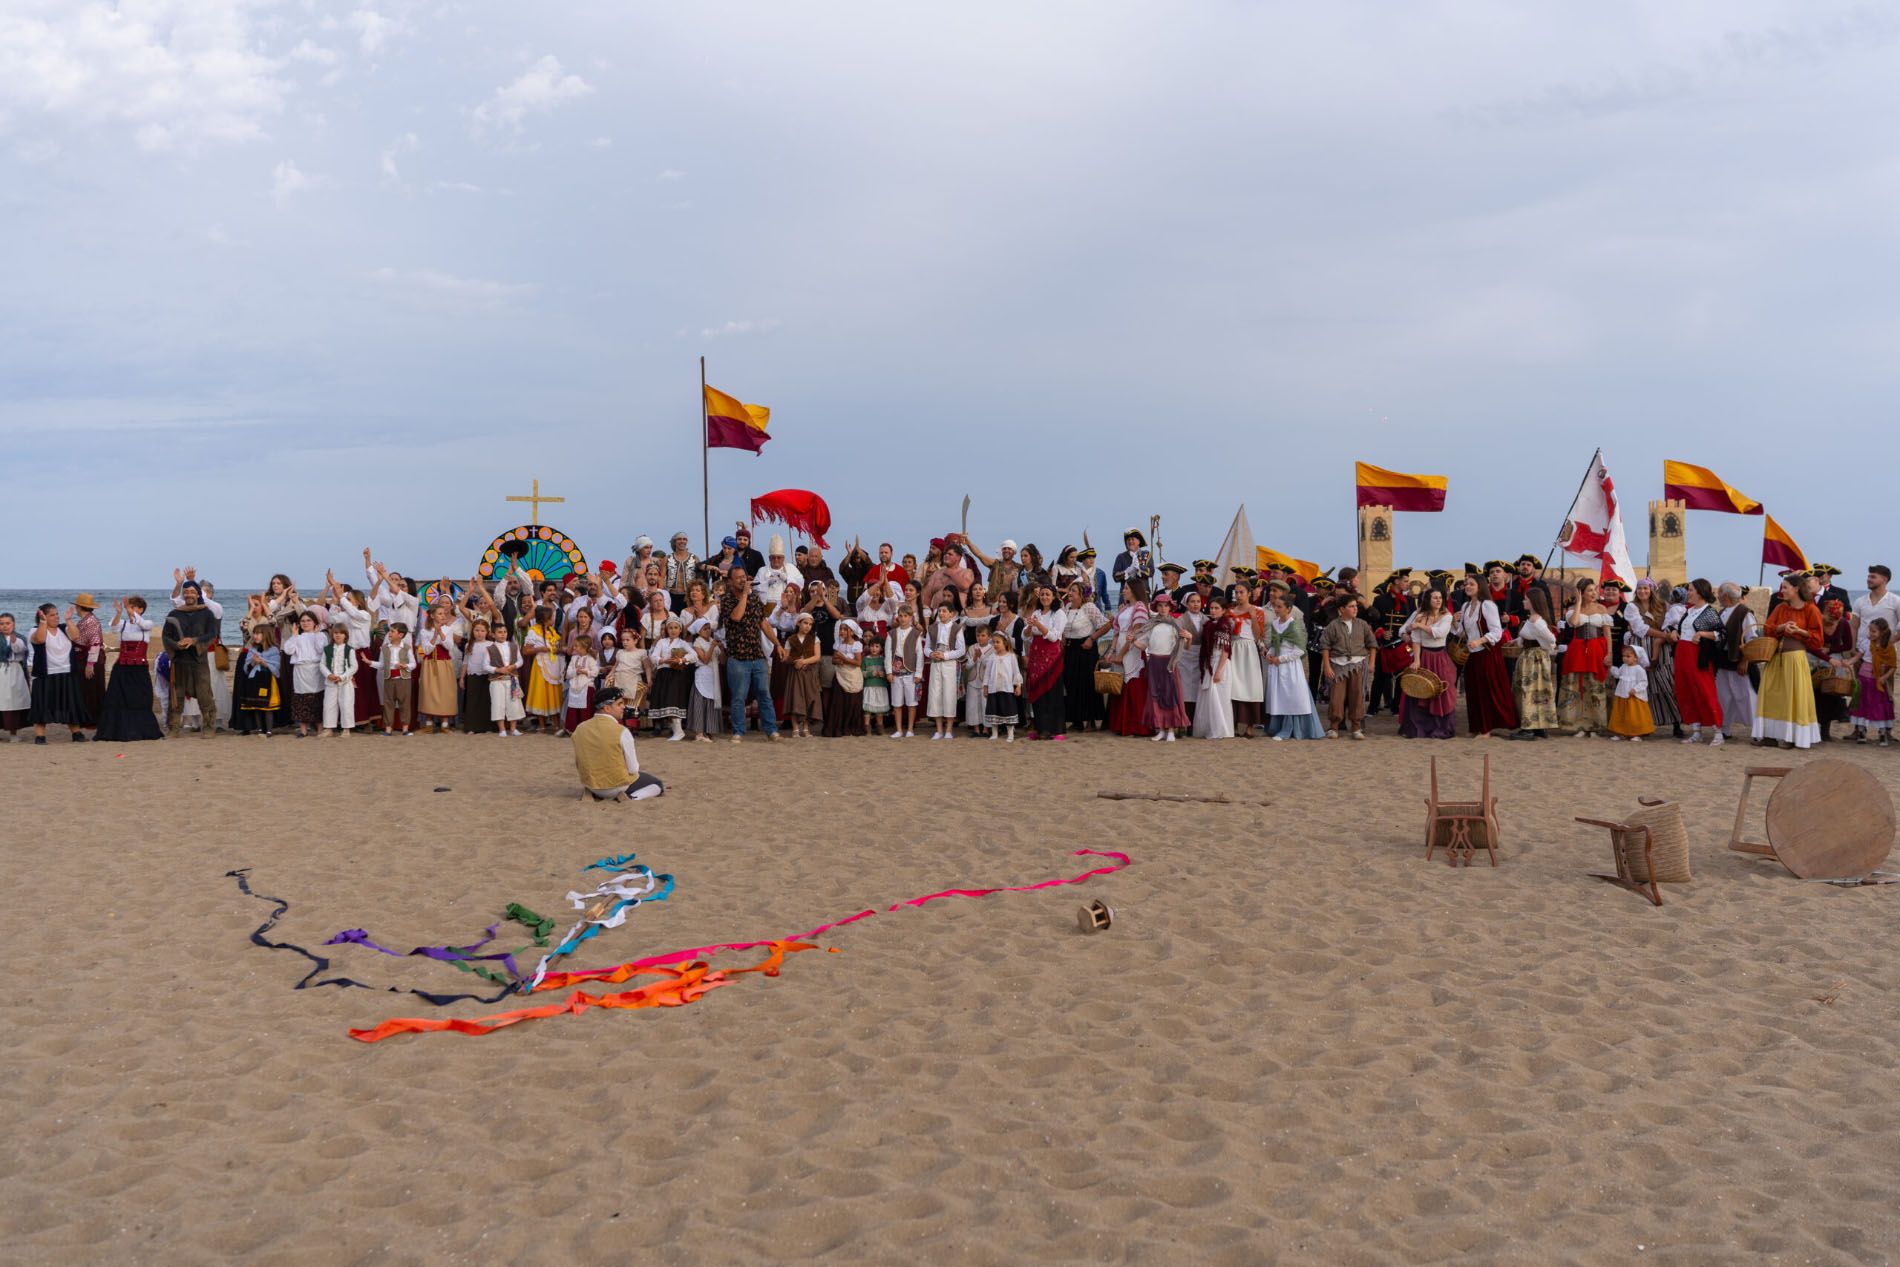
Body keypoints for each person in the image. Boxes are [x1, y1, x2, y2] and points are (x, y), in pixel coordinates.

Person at [1752, 576, 1823, 750]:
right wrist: (1781, 627)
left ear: (1797, 588)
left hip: (1795, 658)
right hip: (1776, 657)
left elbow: (1818, 640)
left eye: (1785, 587)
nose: (1782, 591)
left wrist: (1800, 631)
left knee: (1793, 696)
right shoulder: (1780, 608)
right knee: (1770, 694)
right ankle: (1770, 735)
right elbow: (1768, 628)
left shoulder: (1811, 610)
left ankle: (1791, 737)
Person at [720, 565, 781, 742]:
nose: (742, 580)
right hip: (738, 657)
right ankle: (739, 731)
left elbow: (763, 623)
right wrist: (745, 595)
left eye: (743, 577)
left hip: (757, 655)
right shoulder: (726, 600)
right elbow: (736, 617)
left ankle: (771, 730)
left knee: (764, 694)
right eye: (738, 577)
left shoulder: (755, 599)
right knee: (739, 696)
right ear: (730, 581)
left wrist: (777, 644)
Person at [573, 688, 664, 801]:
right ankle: (631, 797)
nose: (623, 707)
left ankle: (596, 793)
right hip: (617, 786)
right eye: (619, 704)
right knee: (657, 784)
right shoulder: (621, 731)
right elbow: (633, 769)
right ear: (607, 708)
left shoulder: (579, 728)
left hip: (591, 784)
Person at [1455, 575, 1517, 738]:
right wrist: (1453, 622)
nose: (1467, 586)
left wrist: (1480, 641)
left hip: (1487, 653)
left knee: (1486, 691)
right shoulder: (1466, 606)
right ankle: (1475, 727)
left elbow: (1497, 631)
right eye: (1466, 584)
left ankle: (1486, 729)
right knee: (1473, 690)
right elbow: (1462, 632)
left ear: (1480, 586)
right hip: (1472, 654)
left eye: (1471, 584)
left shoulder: (1488, 605)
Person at [96, 596, 162, 742]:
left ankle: (140, 729)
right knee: (116, 698)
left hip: (138, 668)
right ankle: (115, 731)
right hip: (122, 667)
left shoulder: (147, 624)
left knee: (139, 700)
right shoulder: (123, 624)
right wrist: (119, 612)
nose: (130, 610)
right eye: (130, 607)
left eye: (133, 607)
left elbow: (143, 624)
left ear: (141, 609)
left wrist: (132, 613)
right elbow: (113, 627)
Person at [1668, 579, 1725, 746]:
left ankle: (1718, 732)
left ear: (1700, 592)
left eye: (1691, 590)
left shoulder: (1709, 612)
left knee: (1705, 691)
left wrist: (1702, 634)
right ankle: (1696, 731)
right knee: (1685, 691)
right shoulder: (1688, 611)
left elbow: (1721, 634)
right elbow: (1679, 629)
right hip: (1682, 654)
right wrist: (1673, 633)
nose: (1689, 593)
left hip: (1698, 656)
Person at [1261, 586, 1323, 740]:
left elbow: (1300, 650)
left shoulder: (1293, 625)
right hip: (1276, 666)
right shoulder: (1276, 624)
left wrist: (1280, 659)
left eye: (1279, 607)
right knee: (1278, 696)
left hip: (1289, 666)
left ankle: (1289, 729)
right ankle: (1278, 726)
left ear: (1288, 608)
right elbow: (1276, 643)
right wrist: (1270, 654)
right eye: (1275, 606)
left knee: (1290, 696)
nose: (1276, 609)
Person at [1396, 587, 1456, 739]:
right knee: (1419, 690)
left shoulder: (1447, 616)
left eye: (1440, 597)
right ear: (1428, 600)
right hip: (1423, 656)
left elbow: (1439, 633)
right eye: (1434, 597)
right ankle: (1420, 728)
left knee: (1442, 691)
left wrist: (1419, 625)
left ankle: (1442, 727)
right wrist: (1416, 660)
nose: (1438, 600)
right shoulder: (1420, 615)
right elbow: (1416, 639)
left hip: (1440, 657)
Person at [1559, 578, 1611, 737]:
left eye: (1594, 590)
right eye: (1589, 590)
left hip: (1596, 649)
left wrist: (1609, 654)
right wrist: (1579, 603)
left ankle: (1594, 726)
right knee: (1577, 687)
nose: (1594, 593)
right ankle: (1578, 725)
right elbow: (1574, 623)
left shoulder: (1602, 608)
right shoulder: (1574, 609)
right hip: (1577, 650)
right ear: (1581, 593)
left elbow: (1607, 634)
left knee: (1595, 686)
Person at [1852, 565, 1900, 737]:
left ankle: (1886, 731)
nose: (1868, 579)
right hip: (1862, 653)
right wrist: (1852, 647)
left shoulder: (1895, 601)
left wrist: (1886, 645)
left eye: (1873, 577)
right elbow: (1854, 625)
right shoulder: (1860, 601)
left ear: (1884, 579)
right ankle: (1858, 729)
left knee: (1885, 691)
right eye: (1869, 576)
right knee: (1859, 690)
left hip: (1885, 658)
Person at [1319, 596, 1376, 740]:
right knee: (1336, 697)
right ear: (1342, 609)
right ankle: (1334, 727)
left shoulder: (1362, 624)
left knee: (1357, 695)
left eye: (1356, 606)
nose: (1355, 608)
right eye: (1351, 606)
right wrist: (1327, 666)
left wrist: (1371, 663)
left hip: (1357, 664)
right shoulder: (1333, 625)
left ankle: (1356, 727)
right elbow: (1325, 646)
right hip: (1337, 665)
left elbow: (1372, 644)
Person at [1138, 592, 1190, 742]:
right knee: (1156, 695)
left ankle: (1171, 730)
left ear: (1170, 607)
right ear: (1156, 607)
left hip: (1169, 664)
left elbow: (1184, 646)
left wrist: (1188, 638)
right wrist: (1131, 641)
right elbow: (1144, 644)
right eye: (1160, 606)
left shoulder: (1176, 624)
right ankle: (1160, 729)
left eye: (1165, 606)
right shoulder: (1151, 625)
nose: (1162, 608)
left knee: (1170, 696)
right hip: (1154, 663)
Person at [1510, 586, 1559, 739]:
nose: (1524, 601)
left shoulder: (1537, 620)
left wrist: (1543, 647)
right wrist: (1517, 641)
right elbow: (1528, 636)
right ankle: (1538, 726)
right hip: (1531, 657)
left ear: (1532, 601)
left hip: (1534, 659)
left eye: (1526, 599)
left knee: (1528, 690)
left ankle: (1529, 728)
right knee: (1536, 690)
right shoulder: (1533, 619)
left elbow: (1551, 639)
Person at [1106, 582, 1153, 737]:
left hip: (1132, 650)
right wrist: (1112, 651)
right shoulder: (1124, 608)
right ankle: (1121, 724)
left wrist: (1122, 653)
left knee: (1133, 684)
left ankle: (1136, 725)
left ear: (1134, 590)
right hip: (1120, 647)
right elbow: (1117, 632)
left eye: (1126, 588)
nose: (1123, 591)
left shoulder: (1140, 608)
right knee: (1120, 685)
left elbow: (1136, 633)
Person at [1021, 585, 1068, 740]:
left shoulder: (1059, 613)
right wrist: (1029, 626)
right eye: (1042, 594)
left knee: (1052, 692)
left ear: (1054, 596)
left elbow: (1055, 636)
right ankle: (1041, 728)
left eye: (1047, 594)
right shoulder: (1036, 612)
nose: (1044, 597)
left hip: (1052, 656)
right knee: (1037, 691)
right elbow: (1026, 636)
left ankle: (1056, 730)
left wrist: (1038, 625)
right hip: (1036, 655)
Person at [1061, 583, 1108, 731]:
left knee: (1087, 684)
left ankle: (1091, 720)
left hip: (1086, 648)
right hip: (1070, 648)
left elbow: (1107, 625)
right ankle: (1076, 720)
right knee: (1071, 683)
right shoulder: (1067, 607)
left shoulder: (1089, 608)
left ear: (1081, 594)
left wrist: (1092, 638)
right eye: (1070, 590)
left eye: (1073, 591)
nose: (1070, 593)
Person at [1191, 595, 1234, 739]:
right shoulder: (1209, 625)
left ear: (1223, 611)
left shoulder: (1224, 625)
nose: (1213, 611)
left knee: (1219, 697)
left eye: (1217, 608)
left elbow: (1225, 650)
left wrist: (1219, 670)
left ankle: (1221, 729)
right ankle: (1208, 727)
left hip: (1219, 664)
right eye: (1211, 608)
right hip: (1208, 663)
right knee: (1207, 696)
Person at [924, 600, 967, 739]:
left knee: (949, 695)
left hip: (950, 664)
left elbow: (961, 650)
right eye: (939, 611)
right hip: (936, 663)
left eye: (944, 611)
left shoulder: (956, 628)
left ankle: (948, 730)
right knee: (935, 694)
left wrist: (946, 655)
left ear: (951, 613)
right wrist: (931, 654)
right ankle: (939, 730)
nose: (941, 613)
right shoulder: (932, 628)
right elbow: (927, 647)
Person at [1228, 585, 1267, 738]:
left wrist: (1252, 618)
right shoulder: (1230, 611)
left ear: (1249, 594)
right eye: (1236, 592)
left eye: (1241, 592)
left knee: (1251, 685)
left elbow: (1258, 635)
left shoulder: (1257, 611)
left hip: (1249, 648)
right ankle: (1235, 724)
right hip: (1234, 647)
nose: (1238, 595)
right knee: (1234, 685)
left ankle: (1250, 726)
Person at [646, 615, 694, 741]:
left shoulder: (683, 643)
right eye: (670, 627)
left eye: (676, 627)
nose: (673, 630)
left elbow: (694, 655)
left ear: (680, 629)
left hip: (675, 674)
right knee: (665, 701)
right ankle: (675, 730)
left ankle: (679, 731)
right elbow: (653, 656)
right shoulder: (662, 642)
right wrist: (663, 660)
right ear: (667, 629)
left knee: (673, 700)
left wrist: (682, 659)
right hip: (663, 674)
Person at [414, 606, 459, 735]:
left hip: (444, 664)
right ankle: (429, 725)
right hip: (429, 664)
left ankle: (445, 725)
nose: (443, 616)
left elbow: (449, 646)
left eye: (444, 613)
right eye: (439, 613)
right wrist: (434, 635)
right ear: (432, 616)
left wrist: (441, 633)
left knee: (444, 692)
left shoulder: (448, 629)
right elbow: (427, 650)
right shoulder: (424, 631)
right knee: (429, 692)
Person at [282, 611, 327, 738]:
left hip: (316, 669)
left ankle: (320, 727)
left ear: (314, 622)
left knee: (317, 698)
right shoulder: (297, 637)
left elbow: (321, 649)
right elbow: (288, 650)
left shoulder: (321, 636)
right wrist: (294, 636)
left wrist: (317, 635)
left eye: (308, 621)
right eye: (303, 621)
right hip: (300, 670)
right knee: (301, 699)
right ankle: (303, 729)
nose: (305, 623)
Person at [521, 606, 565, 733]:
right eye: (551, 617)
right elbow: (525, 650)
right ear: (545, 619)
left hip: (553, 663)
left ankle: (556, 722)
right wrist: (539, 649)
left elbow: (555, 646)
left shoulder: (552, 630)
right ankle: (542, 723)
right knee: (541, 692)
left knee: (553, 692)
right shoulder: (533, 631)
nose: (553, 619)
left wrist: (559, 649)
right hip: (541, 664)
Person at [232, 626, 282, 735]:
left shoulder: (274, 650)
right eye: (254, 633)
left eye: (258, 634)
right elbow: (246, 668)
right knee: (256, 705)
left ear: (266, 635)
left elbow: (276, 667)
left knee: (268, 707)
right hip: (255, 681)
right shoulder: (252, 650)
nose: (255, 636)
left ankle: (269, 730)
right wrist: (253, 662)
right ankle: (259, 728)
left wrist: (264, 663)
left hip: (268, 681)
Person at [1854, 619, 1895, 747]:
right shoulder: (1866, 643)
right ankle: (1861, 731)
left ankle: (1882, 732)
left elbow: (1893, 665)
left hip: (1878, 680)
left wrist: (1884, 677)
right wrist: (1847, 662)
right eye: (1870, 630)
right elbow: (1857, 657)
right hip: (1864, 678)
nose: (1870, 633)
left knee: (1879, 704)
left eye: (1874, 631)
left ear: (1882, 633)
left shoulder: (1888, 647)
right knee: (1862, 702)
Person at [822, 619, 866, 737]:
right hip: (840, 675)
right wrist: (838, 660)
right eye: (841, 629)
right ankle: (838, 728)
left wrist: (844, 658)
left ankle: (851, 727)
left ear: (852, 632)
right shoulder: (838, 644)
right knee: (838, 702)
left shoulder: (857, 645)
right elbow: (834, 660)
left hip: (853, 676)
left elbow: (858, 662)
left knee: (852, 702)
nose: (842, 631)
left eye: (845, 629)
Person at [783, 612, 824, 738]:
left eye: (810, 624)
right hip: (795, 674)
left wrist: (804, 661)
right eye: (805, 623)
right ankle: (795, 728)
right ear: (798, 623)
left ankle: (806, 728)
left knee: (809, 699)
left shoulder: (814, 639)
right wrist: (795, 661)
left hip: (809, 673)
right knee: (796, 699)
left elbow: (817, 656)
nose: (808, 626)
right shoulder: (791, 639)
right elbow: (785, 657)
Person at [981, 630, 1023, 741]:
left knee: (1008, 710)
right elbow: (987, 673)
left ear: (1005, 643)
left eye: (998, 642)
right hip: (993, 689)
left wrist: (1018, 685)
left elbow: (1016, 672)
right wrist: (985, 687)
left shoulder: (1011, 657)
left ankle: (1010, 734)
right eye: (993, 642)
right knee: (994, 711)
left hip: (1007, 689)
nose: (995, 644)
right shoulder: (991, 658)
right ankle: (994, 733)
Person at [886, 607, 922, 739]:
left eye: (905, 616)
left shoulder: (916, 633)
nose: (902, 618)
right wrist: (889, 671)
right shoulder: (891, 634)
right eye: (900, 616)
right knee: (897, 702)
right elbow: (888, 653)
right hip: (895, 672)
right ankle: (899, 729)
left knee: (911, 702)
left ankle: (910, 729)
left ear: (911, 617)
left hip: (910, 672)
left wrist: (918, 673)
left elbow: (919, 654)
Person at [1607, 643, 1654, 741]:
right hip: (1622, 695)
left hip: (1634, 697)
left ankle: (1636, 733)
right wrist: (1611, 667)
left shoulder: (1639, 669)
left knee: (1634, 716)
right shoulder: (1623, 666)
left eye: (1628, 656)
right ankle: (1621, 732)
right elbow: (1617, 674)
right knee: (1621, 714)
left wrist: (1635, 689)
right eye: (1624, 656)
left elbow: (1643, 682)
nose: (1625, 658)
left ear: (1636, 658)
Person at [687, 617, 723, 740]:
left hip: (713, 675)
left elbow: (722, 660)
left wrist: (722, 649)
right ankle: (699, 732)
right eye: (705, 629)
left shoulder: (712, 640)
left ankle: (709, 730)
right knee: (700, 702)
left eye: (709, 628)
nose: (708, 631)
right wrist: (712, 647)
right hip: (702, 674)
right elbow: (705, 660)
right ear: (699, 631)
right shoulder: (697, 643)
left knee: (711, 701)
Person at [321, 621, 359, 736]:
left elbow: (354, 666)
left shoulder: (349, 649)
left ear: (345, 635)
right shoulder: (327, 649)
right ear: (332, 635)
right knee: (329, 705)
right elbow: (322, 664)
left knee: (346, 704)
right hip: (330, 682)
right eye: (336, 633)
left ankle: (346, 729)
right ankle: (329, 729)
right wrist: (329, 675)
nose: (338, 635)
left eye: (341, 633)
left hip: (345, 683)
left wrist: (342, 677)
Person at [379, 622, 417, 735]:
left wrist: (405, 666)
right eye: (389, 631)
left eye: (392, 631)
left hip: (403, 679)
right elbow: (381, 664)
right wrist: (369, 662)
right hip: (389, 679)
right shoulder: (385, 648)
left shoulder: (407, 648)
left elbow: (413, 664)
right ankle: (388, 729)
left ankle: (405, 729)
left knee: (404, 703)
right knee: (388, 703)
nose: (389, 633)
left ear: (400, 635)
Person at [490, 623, 525, 737]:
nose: (502, 634)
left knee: (513, 703)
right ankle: (502, 729)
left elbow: (520, 661)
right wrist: (498, 669)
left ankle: (513, 729)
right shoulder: (490, 648)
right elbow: (485, 665)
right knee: (498, 704)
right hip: (497, 680)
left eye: (504, 632)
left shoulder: (513, 646)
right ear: (493, 634)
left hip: (512, 680)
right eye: (499, 632)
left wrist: (513, 667)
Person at [563, 637, 600, 735]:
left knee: (586, 710)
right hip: (574, 687)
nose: (574, 648)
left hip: (586, 687)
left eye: (576, 646)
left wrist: (585, 671)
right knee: (573, 708)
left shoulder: (591, 659)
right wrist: (576, 671)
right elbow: (568, 673)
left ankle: (586, 731)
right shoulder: (574, 658)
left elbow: (595, 672)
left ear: (584, 647)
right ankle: (573, 729)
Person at [0, 613, 28, 740]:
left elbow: (18, 649)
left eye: (7, 623)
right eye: (2, 624)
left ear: (13, 624)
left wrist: (13, 639)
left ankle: (13, 734)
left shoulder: (20, 638)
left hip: (15, 671)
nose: (5, 626)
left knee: (13, 702)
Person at [862, 633, 892, 737]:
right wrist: (871, 674)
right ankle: (867, 727)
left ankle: (880, 726)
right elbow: (862, 673)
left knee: (880, 708)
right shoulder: (865, 659)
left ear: (881, 648)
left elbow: (888, 672)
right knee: (868, 709)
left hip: (881, 687)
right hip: (869, 687)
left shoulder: (884, 660)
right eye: (872, 646)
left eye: (877, 646)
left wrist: (883, 674)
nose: (874, 649)